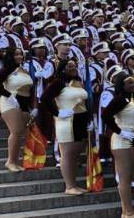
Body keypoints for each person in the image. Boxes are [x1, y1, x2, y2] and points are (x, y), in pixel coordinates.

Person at [41, 58, 91, 195]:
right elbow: (44, 98)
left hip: (80, 121)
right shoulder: (58, 83)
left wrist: (89, 119)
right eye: (69, 66)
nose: (73, 68)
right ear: (63, 68)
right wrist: (57, 112)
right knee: (68, 155)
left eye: (74, 66)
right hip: (67, 121)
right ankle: (69, 186)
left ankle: (73, 184)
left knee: (75, 156)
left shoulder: (78, 82)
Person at [101, 70, 134, 218]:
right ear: (121, 85)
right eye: (129, 83)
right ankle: (127, 212)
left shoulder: (131, 98)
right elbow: (105, 115)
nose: (133, 84)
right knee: (125, 179)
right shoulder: (120, 99)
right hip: (121, 140)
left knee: (130, 176)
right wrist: (120, 131)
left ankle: (128, 211)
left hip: (132, 138)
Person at [0, 47, 33, 171]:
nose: (19, 56)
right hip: (10, 102)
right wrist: (8, 95)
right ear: (10, 56)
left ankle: (16, 161)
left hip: (23, 103)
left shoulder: (25, 70)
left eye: (21, 54)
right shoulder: (7, 69)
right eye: (16, 54)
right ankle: (10, 161)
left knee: (20, 134)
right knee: (16, 131)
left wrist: (31, 107)